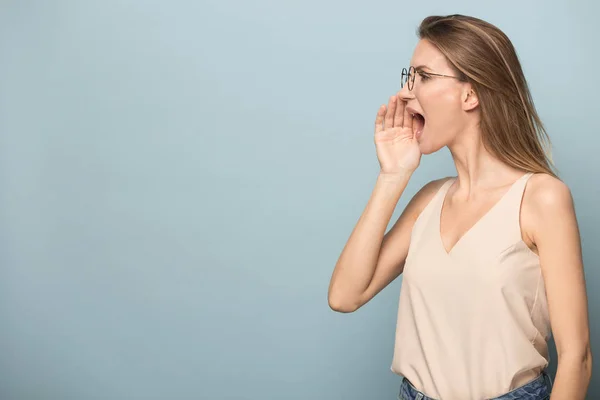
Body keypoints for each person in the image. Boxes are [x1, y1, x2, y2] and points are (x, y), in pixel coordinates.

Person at [327, 14, 592, 400]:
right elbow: (344, 296)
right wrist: (392, 176)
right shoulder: (428, 200)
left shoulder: (542, 198)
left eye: (424, 77)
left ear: (471, 95)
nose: (405, 93)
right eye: (409, 76)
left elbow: (577, 358)